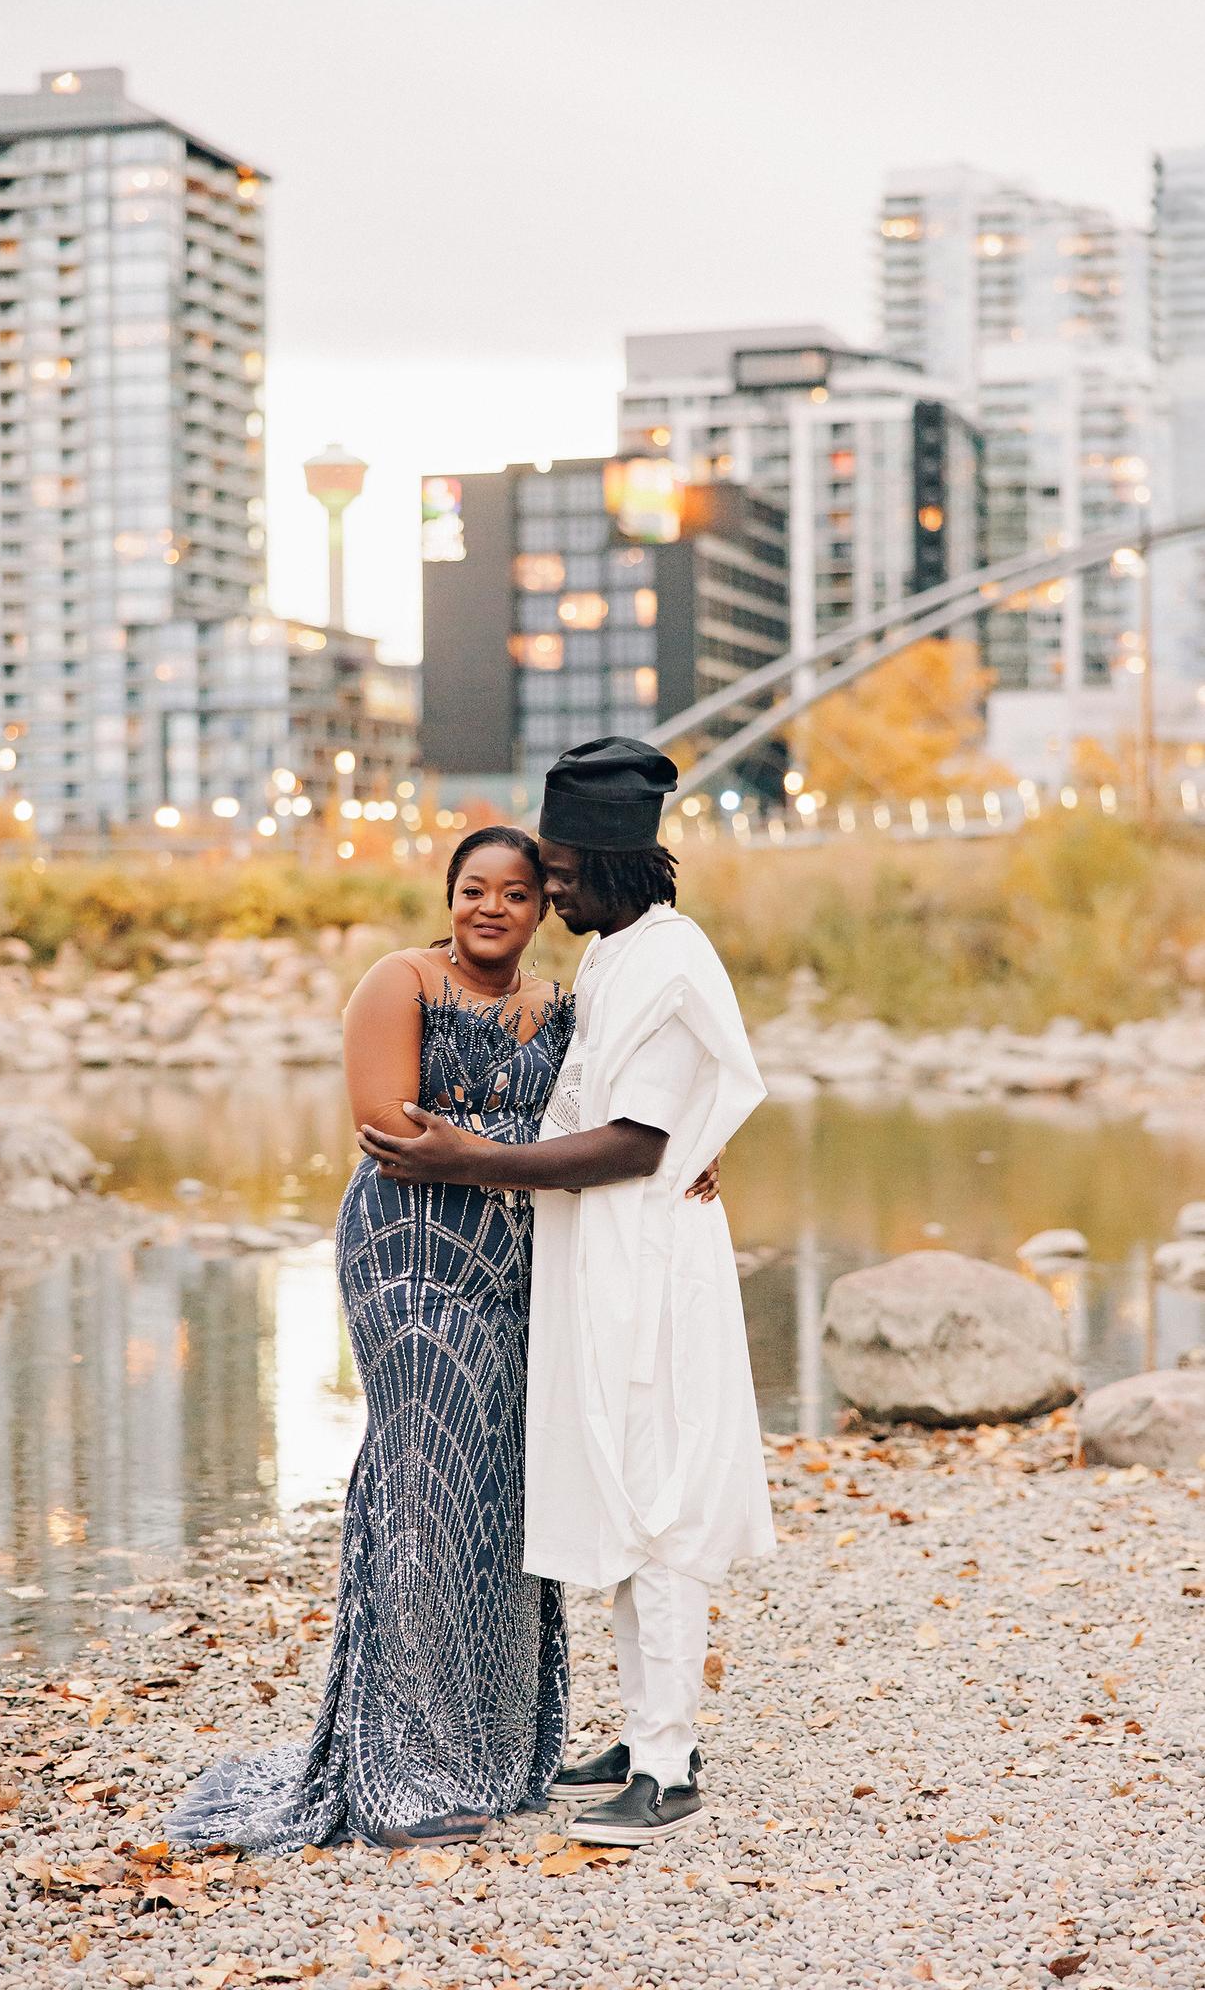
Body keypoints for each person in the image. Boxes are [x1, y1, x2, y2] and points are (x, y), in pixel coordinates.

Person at [359, 736, 775, 1849]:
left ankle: (670, 1760)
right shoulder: (618, 952)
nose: (545, 889)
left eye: (554, 868)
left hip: (654, 1265)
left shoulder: (671, 963)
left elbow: (636, 1142)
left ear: (603, 860)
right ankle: (643, 1733)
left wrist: (466, 1160)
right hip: (608, 1257)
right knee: (627, 1491)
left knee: (665, 1501)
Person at [166, 826, 574, 1851]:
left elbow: (616, 1123)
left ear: (540, 908)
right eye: (473, 888)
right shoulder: (399, 982)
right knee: (423, 1482)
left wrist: (677, 1159)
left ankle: (492, 1746)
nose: (491, 907)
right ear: (448, 898)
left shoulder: (561, 1006)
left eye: (514, 893)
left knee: (503, 1491)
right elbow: (391, 1129)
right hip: (409, 1261)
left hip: (519, 1272)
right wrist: (539, 1158)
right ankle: (405, 1767)